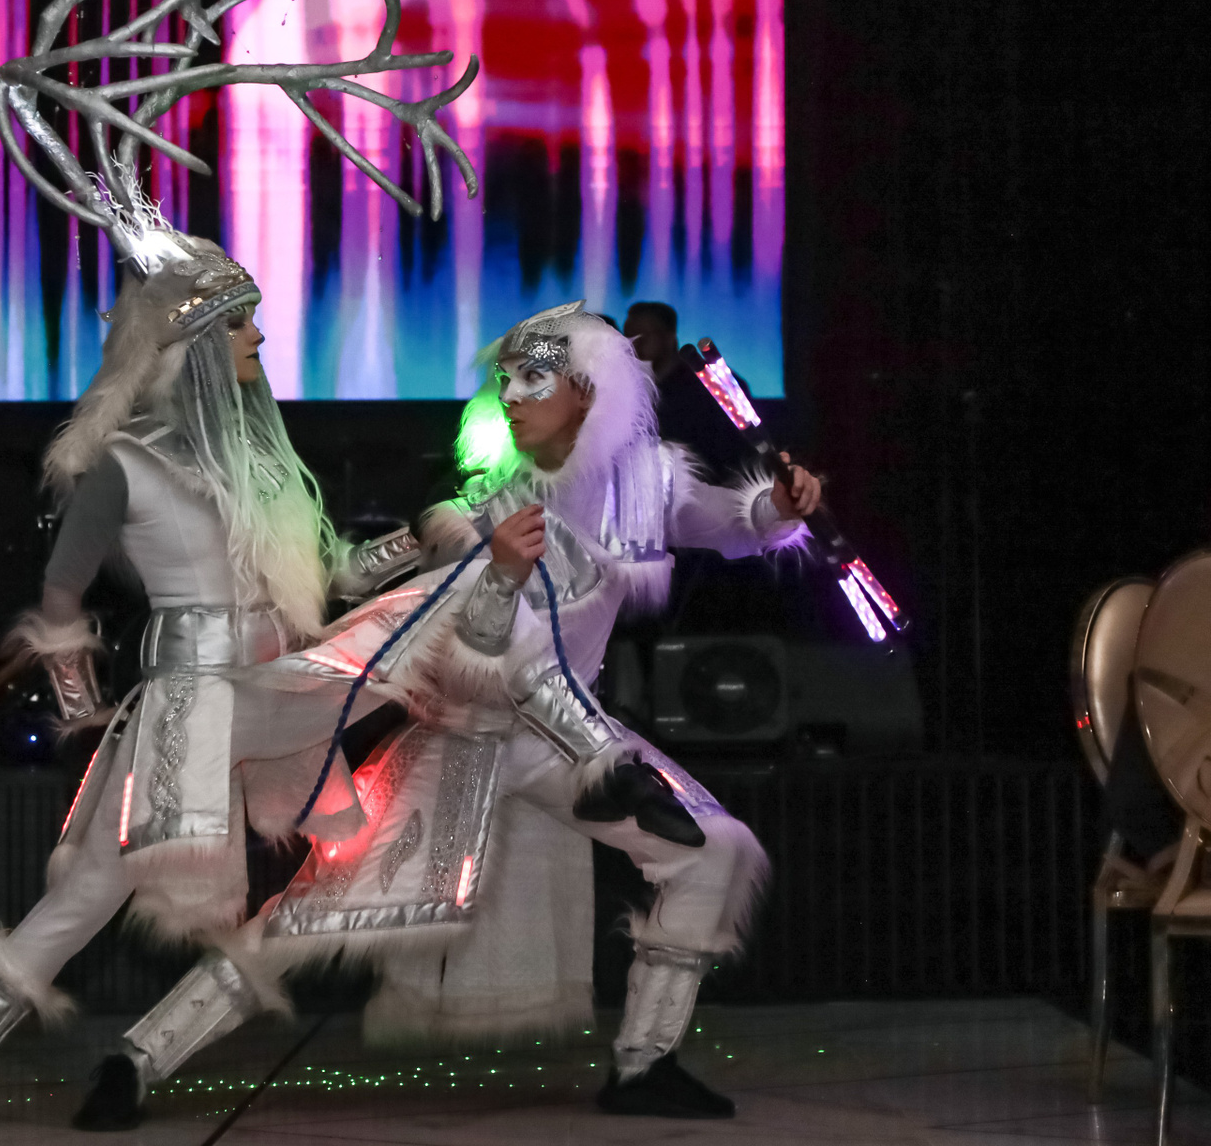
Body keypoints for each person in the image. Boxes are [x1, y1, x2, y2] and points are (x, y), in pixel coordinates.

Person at [225, 300, 822, 1118]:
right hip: (462, 744)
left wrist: (779, 508)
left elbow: (729, 522)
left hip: (568, 748)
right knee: (313, 911)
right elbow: (374, 584)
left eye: (534, 377)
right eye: (506, 378)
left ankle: (644, 1064)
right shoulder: (486, 499)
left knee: (713, 851)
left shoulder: (644, 483)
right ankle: (142, 1053)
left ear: (589, 390)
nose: (510, 394)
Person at [0, 238, 425, 1131]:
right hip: (191, 705)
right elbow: (61, 594)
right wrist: (82, 712)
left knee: (334, 869)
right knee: (95, 888)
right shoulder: (126, 462)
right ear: (196, 345)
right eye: (241, 325)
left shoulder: (265, 463)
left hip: (278, 692)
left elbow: (335, 574)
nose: (258, 337)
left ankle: (140, 1059)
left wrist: (425, 539)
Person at [621, 300, 751, 481]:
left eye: (643, 335)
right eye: (627, 336)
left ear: (669, 336)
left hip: (711, 490)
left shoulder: (712, 385)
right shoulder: (626, 389)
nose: (633, 344)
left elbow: (742, 455)